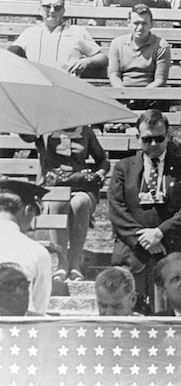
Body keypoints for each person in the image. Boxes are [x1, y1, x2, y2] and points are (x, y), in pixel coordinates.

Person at [108, 110, 181, 314]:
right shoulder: (123, 168)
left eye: (159, 138)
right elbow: (116, 210)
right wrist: (143, 239)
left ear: (168, 136)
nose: (154, 145)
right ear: (138, 137)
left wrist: (159, 233)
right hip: (131, 255)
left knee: (166, 320)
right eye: (147, 139)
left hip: (168, 255)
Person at [24, 126, 109, 283]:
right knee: (58, 203)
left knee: (80, 202)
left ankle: (75, 262)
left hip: (80, 186)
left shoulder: (85, 131)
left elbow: (102, 159)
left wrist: (100, 173)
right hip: (52, 188)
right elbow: (27, 136)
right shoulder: (46, 128)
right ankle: (62, 262)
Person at [13, 0, 107, 76]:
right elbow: (10, 55)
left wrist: (86, 61)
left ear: (63, 11)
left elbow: (102, 57)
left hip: (67, 85)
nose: (52, 10)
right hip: (36, 84)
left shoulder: (77, 32)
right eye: (47, 7)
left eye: (57, 7)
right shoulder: (30, 33)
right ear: (40, 10)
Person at [0, 179, 51, 314]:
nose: (30, 226)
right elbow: (39, 309)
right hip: (17, 332)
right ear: (28, 210)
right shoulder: (37, 252)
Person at [108, 4, 171, 90]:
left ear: (151, 24)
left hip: (151, 95)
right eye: (136, 23)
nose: (140, 27)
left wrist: (141, 96)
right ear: (128, 23)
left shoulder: (161, 46)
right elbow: (114, 75)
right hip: (122, 94)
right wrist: (123, 94)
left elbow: (160, 80)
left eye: (144, 23)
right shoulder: (117, 44)